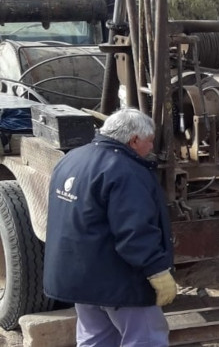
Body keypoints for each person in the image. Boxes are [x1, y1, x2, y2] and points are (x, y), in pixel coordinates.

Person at [43, 108, 176, 347]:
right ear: (133, 140)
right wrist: (156, 270)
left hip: (81, 277)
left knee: (96, 339)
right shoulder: (126, 171)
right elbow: (134, 232)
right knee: (146, 339)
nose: (152, 147)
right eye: (150, 141)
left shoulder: (72, 158)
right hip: (119, 283)